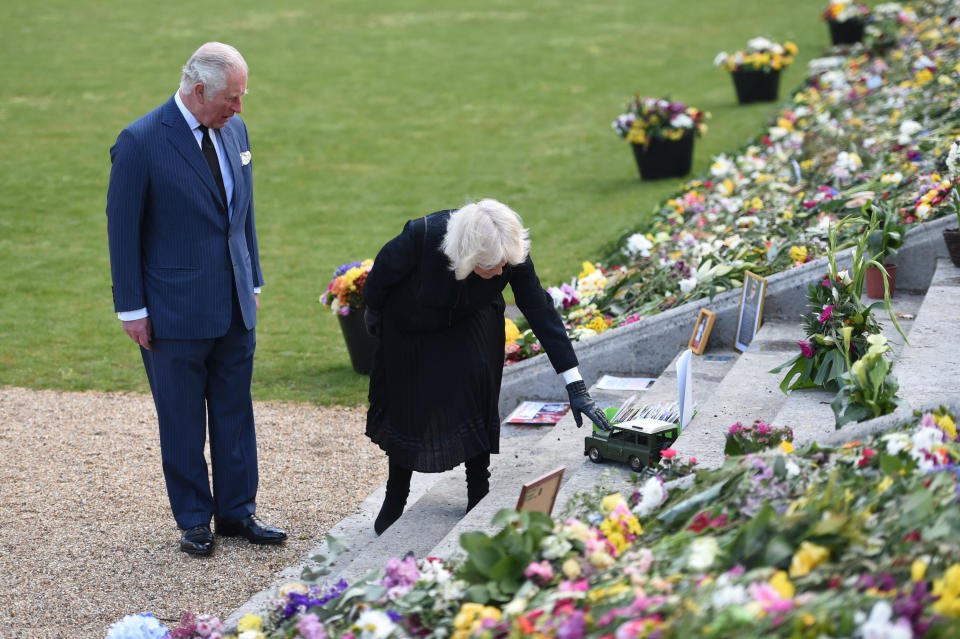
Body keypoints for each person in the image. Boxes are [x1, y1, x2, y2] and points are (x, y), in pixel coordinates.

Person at [105, 42, 286, 556]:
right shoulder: (140, 141)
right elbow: (122, 232)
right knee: (182, 419)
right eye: (233, 96)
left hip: (234, 304)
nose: (240, 107)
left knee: (235, 412)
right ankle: (193, 519)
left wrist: (253, 277)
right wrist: (132, 309)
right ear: (199, 89)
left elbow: (243, 210)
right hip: (172, 312)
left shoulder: (235, 129)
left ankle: (237, 513)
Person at [362, 198, 611, 535]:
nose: (501, 273)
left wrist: (575, 385)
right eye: (492, 266)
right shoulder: (421, 236)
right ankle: (396, 495)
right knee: (410, 401)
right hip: (413, 323)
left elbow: (538, 308)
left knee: (478, 386)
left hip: (471, 317)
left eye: (505, 265)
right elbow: (379, 280)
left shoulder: (507, 248)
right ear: (467, 258)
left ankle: (478, 486)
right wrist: (375, 316)